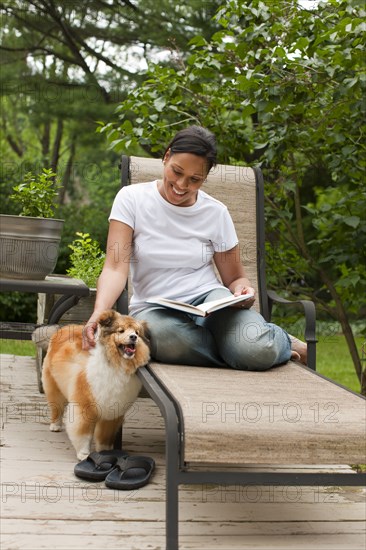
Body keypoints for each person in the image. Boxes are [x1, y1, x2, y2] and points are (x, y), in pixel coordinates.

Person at [84, 125, 306, 369]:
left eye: (194, 179)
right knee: (169, 340)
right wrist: (99, 312)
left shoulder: (215, 212)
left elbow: (235, 278)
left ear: (205, 178)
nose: (181, 185)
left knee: (255, 351)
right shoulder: (131, 198)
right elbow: (116, 268)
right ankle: (238, 349)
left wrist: (242, 291)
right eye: (176, 171)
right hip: (154, 309)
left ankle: (276, 341)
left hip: (210, 302)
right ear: (166, 157)